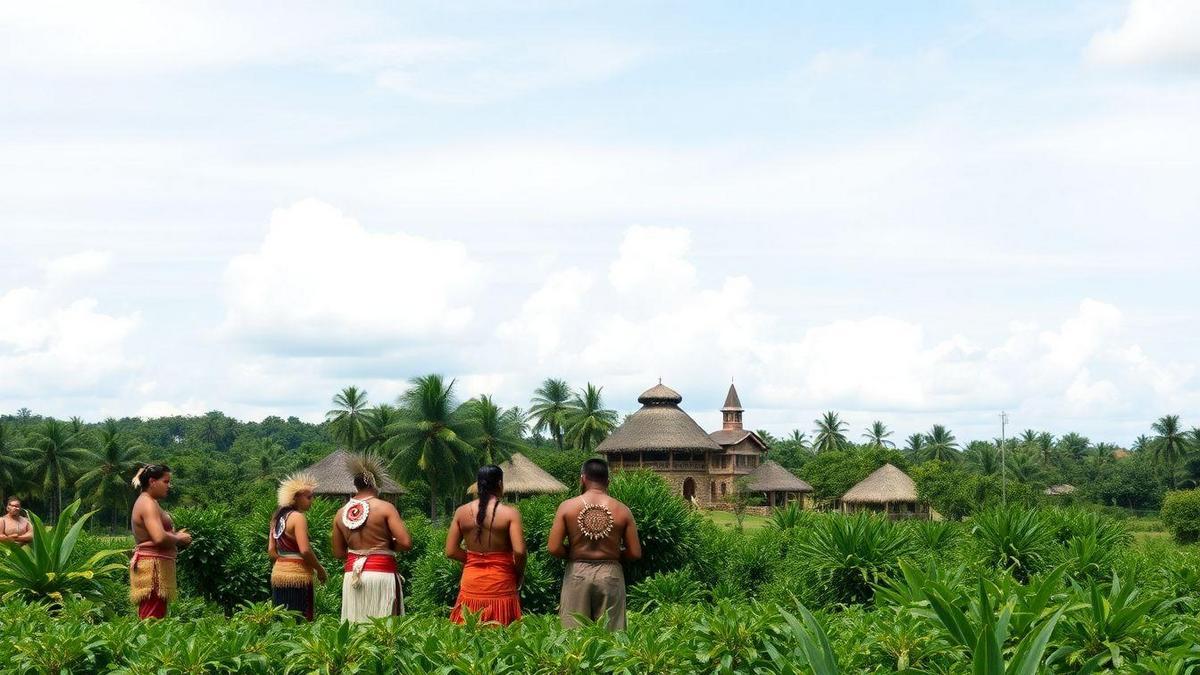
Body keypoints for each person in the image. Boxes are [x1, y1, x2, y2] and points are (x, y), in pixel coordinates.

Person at [548, 458, 641, 630]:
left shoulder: (567, 507)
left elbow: (553, 547)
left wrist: (573, 553)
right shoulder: (622, 510)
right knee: (612, 635)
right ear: (608, 481)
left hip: (577, 572)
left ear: (582, 478)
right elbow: (635, 552)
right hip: (610, 574)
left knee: (573, 636)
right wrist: (614, 554)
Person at [332, 453, 412, 622]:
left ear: (356, 486)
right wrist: (386, 546)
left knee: (356, 627)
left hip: (353, 577)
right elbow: (405, 542)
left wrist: (360, 552)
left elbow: (339, 553)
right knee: (385, 630)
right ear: (376, 484)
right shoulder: (385, 508)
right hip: (382, 574)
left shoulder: (340, 514)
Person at [445, 465, 526, 626]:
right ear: (500, 484)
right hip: (501, 582)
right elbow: (519, 551)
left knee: (468, 636)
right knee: (501, 639)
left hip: (471, 583)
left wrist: (474, 559)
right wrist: (518, 573)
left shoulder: (461, 512)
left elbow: (451, 551)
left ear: (478, 484)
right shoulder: (510, 513)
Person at [129, 464, 191, 619]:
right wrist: (178, 538)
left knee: (155, 612)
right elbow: (159, 537)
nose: (169, 486)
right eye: (166, 481)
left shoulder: (150, 502)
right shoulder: (147, 503)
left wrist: (175, 536)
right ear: (152, 482)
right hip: (152, 567)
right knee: (152, 617)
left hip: (156, 564)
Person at [268, 472, 327, 621]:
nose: (312, 501)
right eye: (308, 497)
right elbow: (305, 550)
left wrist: (284, 564)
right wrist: (320, 570)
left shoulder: (277, 518)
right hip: (298, 577)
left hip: (278, 575)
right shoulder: (297, 517)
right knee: (299, 621)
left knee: (281, 621)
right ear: (295, 497)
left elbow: (271, 551)